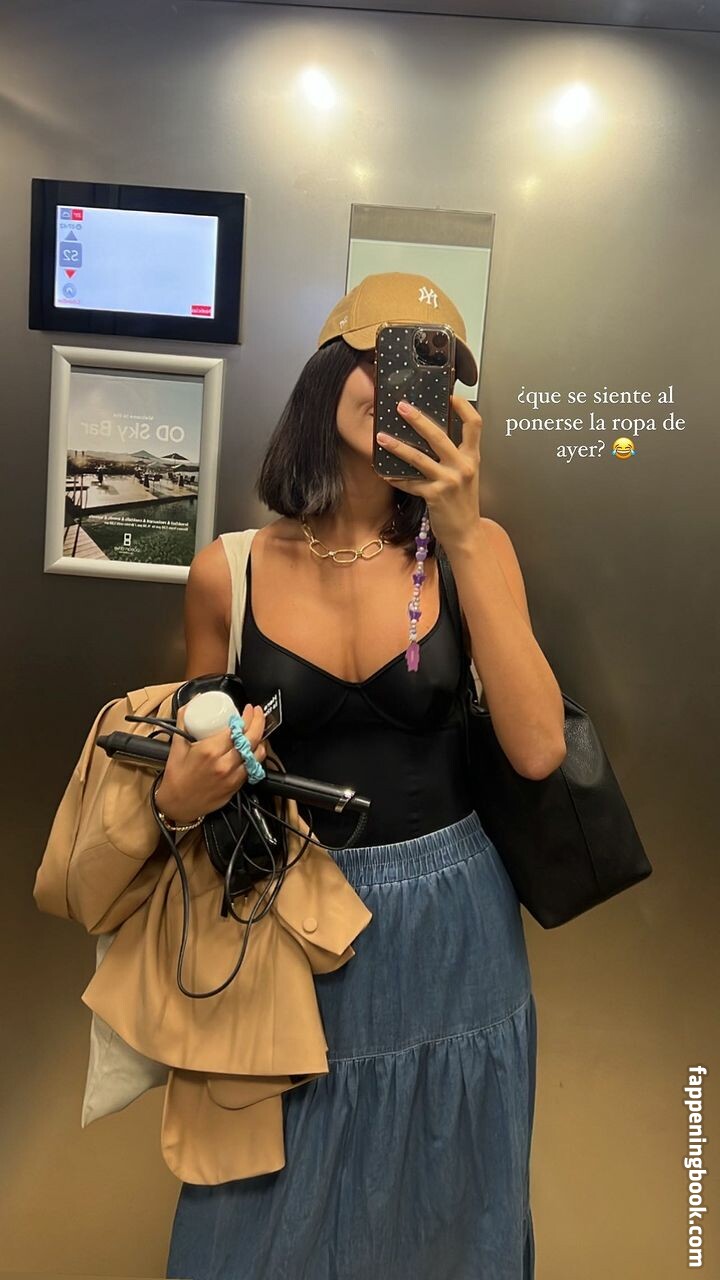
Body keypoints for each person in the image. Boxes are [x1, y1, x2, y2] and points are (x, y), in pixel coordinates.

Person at [159, 272, 566, 1279]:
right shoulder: (228, 570)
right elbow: (185, 777)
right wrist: (185, 793)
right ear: (328, 369)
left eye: (436, 370)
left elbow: (537, 748)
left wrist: (462, 530)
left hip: (452, 926)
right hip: (286, 920)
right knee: (258, 1221)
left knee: (446, 1207)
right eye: (388, 354)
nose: (405, 384)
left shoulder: (476, 549)